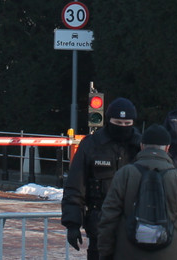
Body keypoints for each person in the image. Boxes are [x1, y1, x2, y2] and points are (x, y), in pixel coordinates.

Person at [97, 124, 177, 260]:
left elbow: (108, 218)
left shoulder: (125, 174)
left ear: (142, 146)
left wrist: (105, 253)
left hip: (127, 253)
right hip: (169, 254)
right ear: (168, 148)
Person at [62, 97, 142, 260]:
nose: (123, 128)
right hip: (100, 225)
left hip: (135, 226)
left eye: (127, 124)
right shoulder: (91, 144)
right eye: (118, 123)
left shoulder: (140, 146)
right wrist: (73, 223)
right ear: (109, 121)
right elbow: (75, 185)